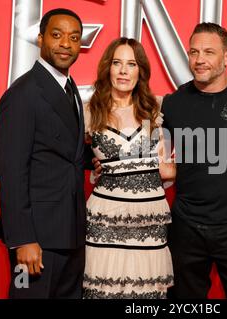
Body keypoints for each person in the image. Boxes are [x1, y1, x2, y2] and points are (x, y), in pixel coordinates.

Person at [0, 8, 89, 298]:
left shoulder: (68, 88)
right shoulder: (23, 94)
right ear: (40, 38)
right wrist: (22, 240)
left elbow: (62, 154)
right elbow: (12, 172)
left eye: (74, 38)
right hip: (35, 240)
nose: (65, 44)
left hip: (69, 233)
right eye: (57, 35)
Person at [161, 23, 227, 298]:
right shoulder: (173, 103)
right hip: (186, 227)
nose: (199, 60)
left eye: (208, 52)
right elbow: (146, 151)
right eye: (194, 52)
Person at [82, 37, 175, 299]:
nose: (123, 71)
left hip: (149, 218)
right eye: (117, 63)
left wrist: (176, 167)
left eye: (131, 64)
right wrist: (92, 169)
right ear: (107, 68)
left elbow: (170, 166)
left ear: (140, 71)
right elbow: (70, 159)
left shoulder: (155, 109)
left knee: (145, 296)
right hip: (106, 219)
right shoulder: (90, 111)